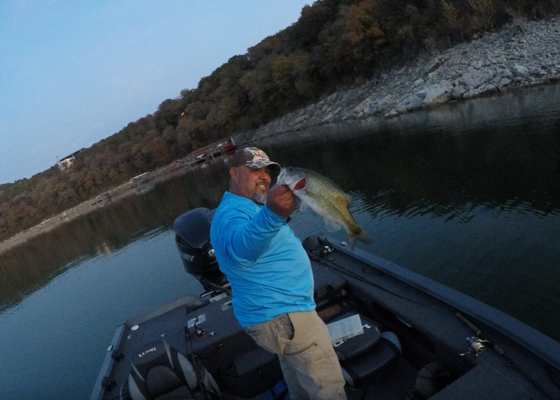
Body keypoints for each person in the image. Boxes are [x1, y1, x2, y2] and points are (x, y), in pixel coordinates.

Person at [210, 147, 347, 400]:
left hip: (277, 319)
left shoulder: (245, 206)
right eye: (254, 170)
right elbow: (241, 248)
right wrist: (273, 215)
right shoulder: (232, 213)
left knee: (299, 383)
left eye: (267, 170)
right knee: (328, 389)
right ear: (234, 173)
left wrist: (272, 212)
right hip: (286, 316)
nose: (263, 176)